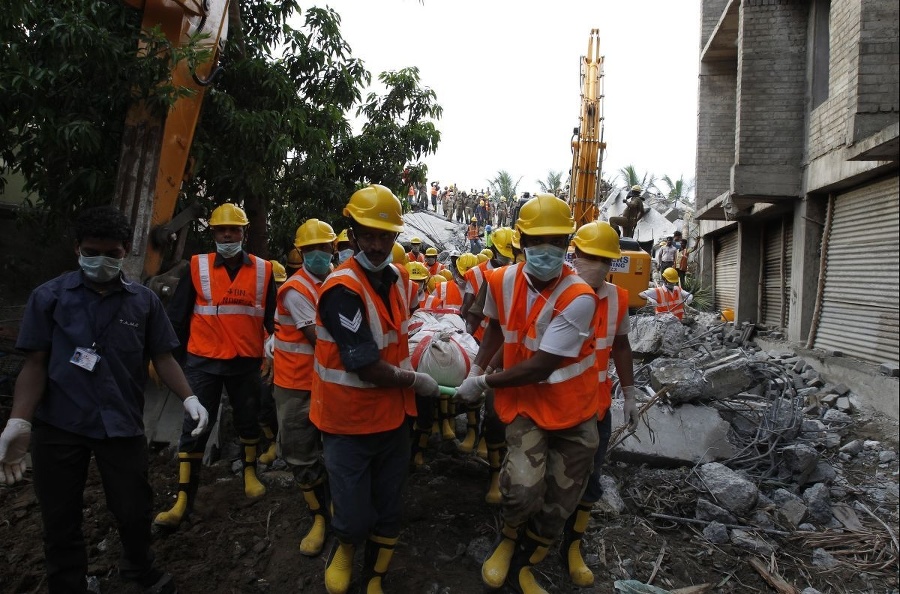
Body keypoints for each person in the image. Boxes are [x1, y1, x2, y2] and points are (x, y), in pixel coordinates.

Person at [0, 205, 209, 594]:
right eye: (92, 252)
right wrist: (18, 422)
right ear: (77, 248)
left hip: (121, 422)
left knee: (133, 509)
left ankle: (139, 571)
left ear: (125, 250)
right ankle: (69, 585)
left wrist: (189, 397)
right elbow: (34, 364)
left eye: (112, 254)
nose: (102, 261)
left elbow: (162, 357)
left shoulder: (143, 303)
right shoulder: (49, 298)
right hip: (60, 424)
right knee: (59, 518)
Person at [454, 194, 602, 593]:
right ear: (521, 241)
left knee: (559, 501)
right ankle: (507, 538)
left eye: (557, 241)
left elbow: (541, 366)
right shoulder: (500, 281)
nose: (547, 250)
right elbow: (497, 330)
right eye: (538, 241)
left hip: (573, 411)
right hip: (525, 405)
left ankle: (527, 560)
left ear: (568, 243)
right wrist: (478, 367)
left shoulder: (580, 298)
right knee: (521, 490)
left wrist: (483, 383)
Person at [310, 184, 440, 594]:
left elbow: (399, 336)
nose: (377, 243)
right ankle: (345, 547)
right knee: (350, 509)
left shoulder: (400, 279)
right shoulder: (341, 290)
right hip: (347, 420)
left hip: (392, 417)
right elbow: (363, 362)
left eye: (385, 235)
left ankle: (376, 576)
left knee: (389, 504)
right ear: (352, 235)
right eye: (368, 234)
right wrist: (416, 380)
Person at [155, 203, 276, 529]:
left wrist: (275, 346)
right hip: (203, 364)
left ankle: (250, 473)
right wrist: (169, 361)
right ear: (212, 233)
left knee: (248, 421)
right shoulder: (197, 267)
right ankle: (183, 498)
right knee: (194, 429)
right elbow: (176, 319)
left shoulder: (264, 271)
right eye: (220, 229)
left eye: (233, 229)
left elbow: (271, 319)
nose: (227, 234)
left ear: (243, 232)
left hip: (245, 363)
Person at [563, 221, 640, 587]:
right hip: (555, 404)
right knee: (546, 478)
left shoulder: (617, 298)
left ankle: (571, 546)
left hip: (595, 407)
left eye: (604, 259)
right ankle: (529, 540)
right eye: (589, 256)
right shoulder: (556, 291)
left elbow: (621, 346)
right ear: (574, 255)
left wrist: (629, 393)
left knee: (590, 480)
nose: (596, 264)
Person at [273, 219, 336, 556]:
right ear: (301, 251)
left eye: (322, 248)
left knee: (336, 444)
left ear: (332, 249)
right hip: (297, 382)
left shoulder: (336, 280)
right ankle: (319, 516)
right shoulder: (297, 289)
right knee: (300, 450)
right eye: (309, 250)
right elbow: (320, 339)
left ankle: (336, 505)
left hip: (328, 379)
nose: (317, 255)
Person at [257, 259, 288, 466]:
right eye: (274, 284)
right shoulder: (256, 306)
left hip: (287, 368)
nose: (276, 289)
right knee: (261, 403)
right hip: (259, 366)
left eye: (279, 284)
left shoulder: (289, 302)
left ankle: (283, 444)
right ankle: (271, 442)